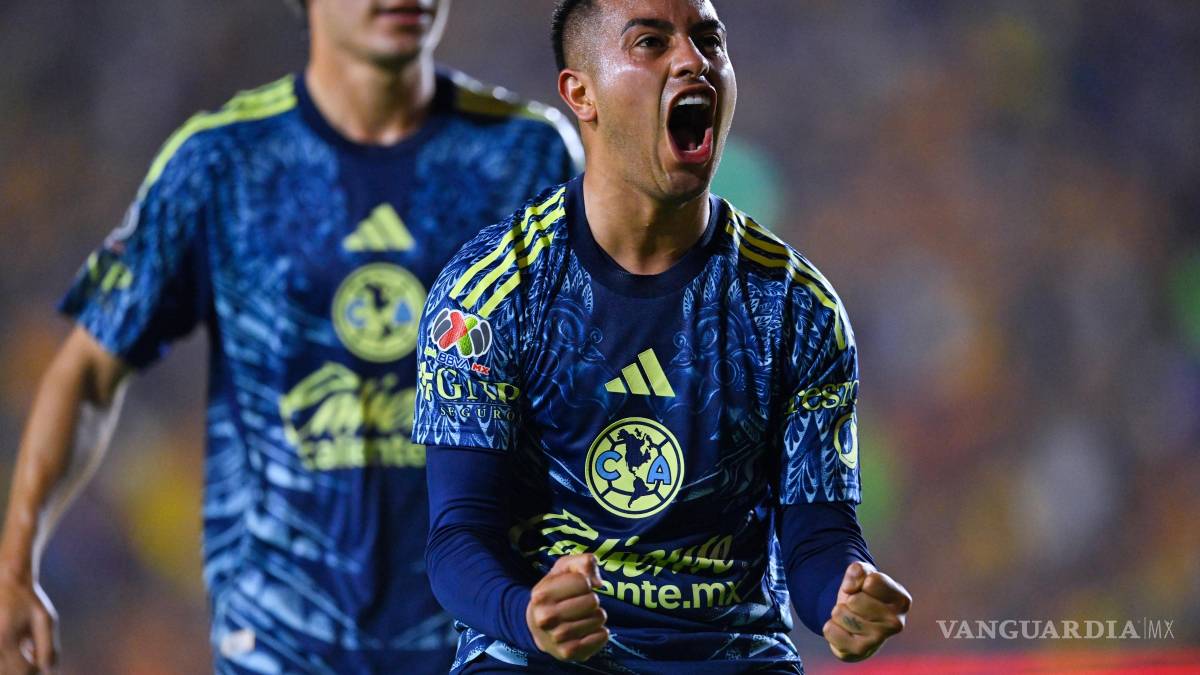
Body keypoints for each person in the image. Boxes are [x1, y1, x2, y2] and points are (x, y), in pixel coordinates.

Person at [0, 0, 581, 672]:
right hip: (279, 639)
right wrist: (16, 567)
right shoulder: (221, 161)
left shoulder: (530, 153)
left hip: (477, 638)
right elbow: (87, 372)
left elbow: (595, 376)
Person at [416, 0, 911, 671]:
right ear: (580, 94)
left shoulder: (795, 306)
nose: (692, 60)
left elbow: (819, 536)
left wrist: (843, 600)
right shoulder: (487, 296)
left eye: (710, 40)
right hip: (539, 655)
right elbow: (457, 535)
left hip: (731, 654)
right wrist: (526, 611)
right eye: (651, 42)